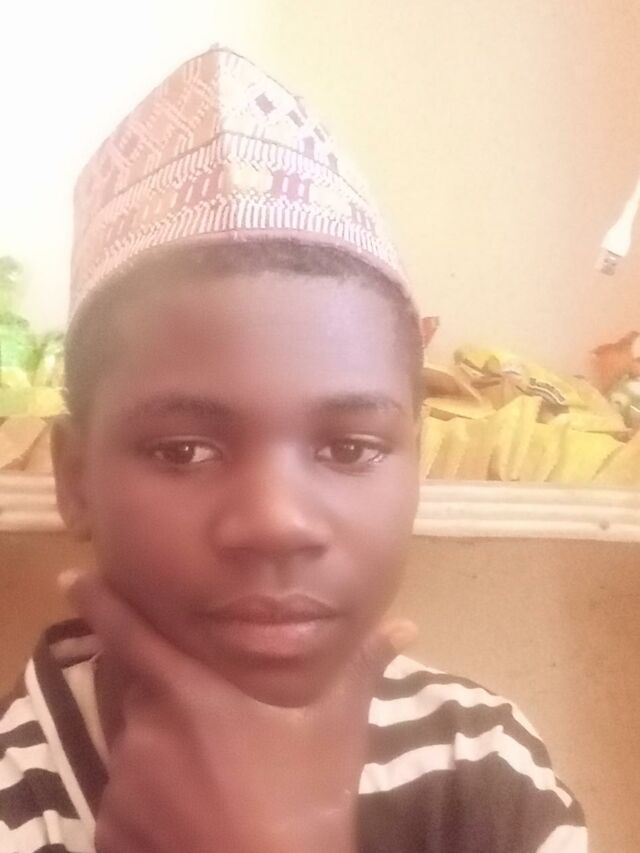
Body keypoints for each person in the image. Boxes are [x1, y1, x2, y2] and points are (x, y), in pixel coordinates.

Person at [0, 46, 586, 853]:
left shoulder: (484, 766)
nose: (277, 523)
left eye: (348, 447)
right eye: (183, 450)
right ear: (76, 478)